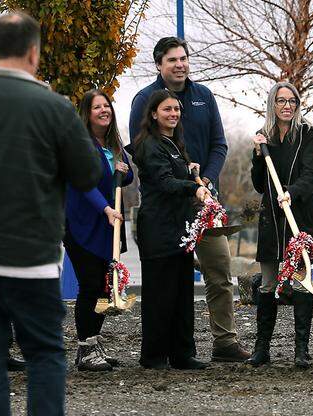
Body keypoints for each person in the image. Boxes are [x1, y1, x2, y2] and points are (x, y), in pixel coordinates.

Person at [0, 11, 98, 416]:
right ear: (33, 53)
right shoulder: (52, 107)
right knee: (45, 352)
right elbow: (88, 175)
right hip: (31, 256)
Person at [129, 37, 250, 363]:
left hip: (203, 203)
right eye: (172, 60)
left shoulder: (203, 97)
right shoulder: (144, 100)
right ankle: (160, 352)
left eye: (184, 58)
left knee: (219, 272)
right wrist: (186, 184)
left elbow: (219, 145)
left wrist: (204, 182)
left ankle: (224, 342)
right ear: (159, 65)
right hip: (168, 210)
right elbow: (142, 152)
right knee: (168, 283)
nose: (180, 64)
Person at [129, 90, 211, 370]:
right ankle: (153, 356)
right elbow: (164, 183)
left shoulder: (172, 143)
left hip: (179, 228)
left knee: (181, 294)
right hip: (158, 229)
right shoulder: (150, 145)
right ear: (154, 113)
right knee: (159, 296)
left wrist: (190, 172)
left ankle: (182, 354)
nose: (173, 114)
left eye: (176, 109)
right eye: (167, 109)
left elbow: (174, 175)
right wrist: (195, 187)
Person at [248, 82, 313, 369]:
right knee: (267, 283)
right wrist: (257, 156)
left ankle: (301, 349)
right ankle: (262, 347)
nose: (287, 106)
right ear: (272, 104)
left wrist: (292, 192)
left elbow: (312, 173)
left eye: (292, 101)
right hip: (272, 218)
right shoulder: (263, 137)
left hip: (301, 215)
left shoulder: (308, 134)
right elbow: (259, 184)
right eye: (281, 101)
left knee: (303, 283)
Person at [65, 89, 135, 372]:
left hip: (109, 222)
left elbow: (126, 175)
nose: (104, 110)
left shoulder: (114, 144)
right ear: (87, 113)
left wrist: (123, 169)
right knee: (90, 285)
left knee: (104, 286)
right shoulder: (79, 144)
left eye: (107, 105)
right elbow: (83, 183)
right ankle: (85, 350)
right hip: (83, 223)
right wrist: (105, 209)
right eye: (97, 107)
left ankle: (93, 343)